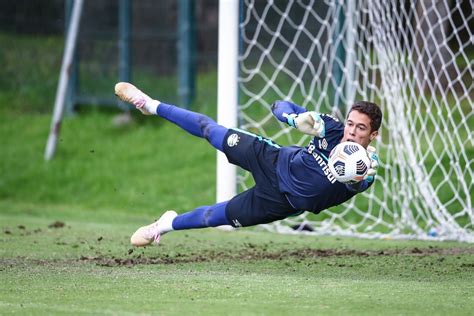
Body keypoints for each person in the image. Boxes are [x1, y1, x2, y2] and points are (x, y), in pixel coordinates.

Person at [114, 82, 382, 247]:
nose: (351, 132)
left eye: (360, 128)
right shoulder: (330, 128)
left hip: (278, 202)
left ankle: (162, 225)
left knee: (214, 218)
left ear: (373, 135)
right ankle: (150, 104)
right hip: (271, 159)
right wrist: (292, 118)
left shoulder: (366, 166)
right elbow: (279, 105)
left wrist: (359, 179)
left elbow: (362, 181)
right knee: (211, 130)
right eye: (350, 123)